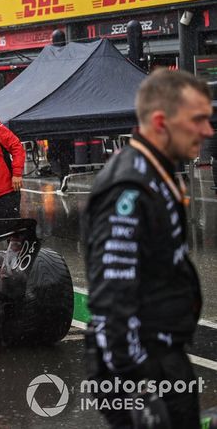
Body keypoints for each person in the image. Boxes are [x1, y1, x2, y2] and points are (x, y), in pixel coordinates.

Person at [84, 69, 213, 428]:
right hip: (144, 364)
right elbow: (112, 295)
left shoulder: (157, 170)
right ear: (161, 122)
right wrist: (138, 383)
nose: (207, 130)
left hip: (161, 352)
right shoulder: (129, 187)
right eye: (198, 120)